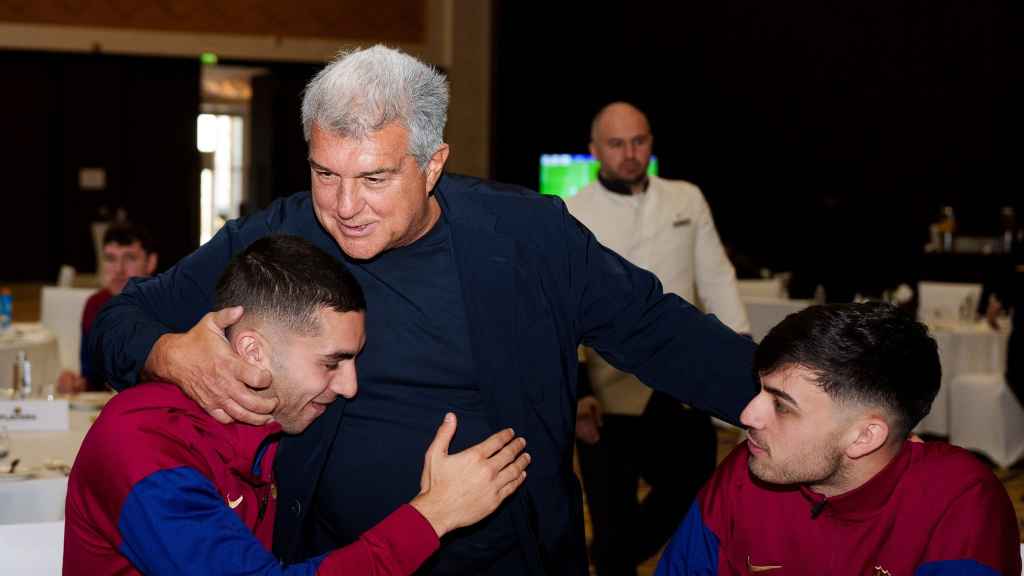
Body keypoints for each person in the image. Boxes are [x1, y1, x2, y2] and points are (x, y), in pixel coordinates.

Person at [92, 46, 759, 575]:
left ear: (433, 163)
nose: (345, 206)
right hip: (334, 558)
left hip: (511, 556)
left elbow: (659, 331)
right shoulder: (280, 238)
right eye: (327, 173)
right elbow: (115, 325)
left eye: (375, 178)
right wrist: (167, 353)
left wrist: (779, 402)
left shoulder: (528, 237)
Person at [65, 235, 530, 575]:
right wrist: (435, 513)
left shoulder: (266, 426)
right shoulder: (143, 446)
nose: (350, 386)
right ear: (252, 352)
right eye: (333, 362)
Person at [656, 303, 1020, 576]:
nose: (748, 415)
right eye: (760, 390)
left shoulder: (960, 502)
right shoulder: (749, 471)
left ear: (864, 436)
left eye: (781, 405)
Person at [566, 102, 750, 576]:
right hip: (606, 388)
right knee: (610, 511)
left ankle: (613, 555)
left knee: (695, 488)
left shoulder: (686, 198)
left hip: (680, 378)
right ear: (593, 151)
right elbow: (559, 305)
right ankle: (612, 556)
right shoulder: (571, 210)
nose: (630, 153)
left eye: (639, 141)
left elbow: (716, 278)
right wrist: (578, 392)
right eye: (616, 143)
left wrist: (745, 364)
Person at [57, 222, 158, 393]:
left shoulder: (166, 307)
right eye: (110, 259)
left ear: (150, 262)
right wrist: (76, 384)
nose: (119, 270)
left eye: (130, 258)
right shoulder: (95, 305)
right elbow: (92, 378)